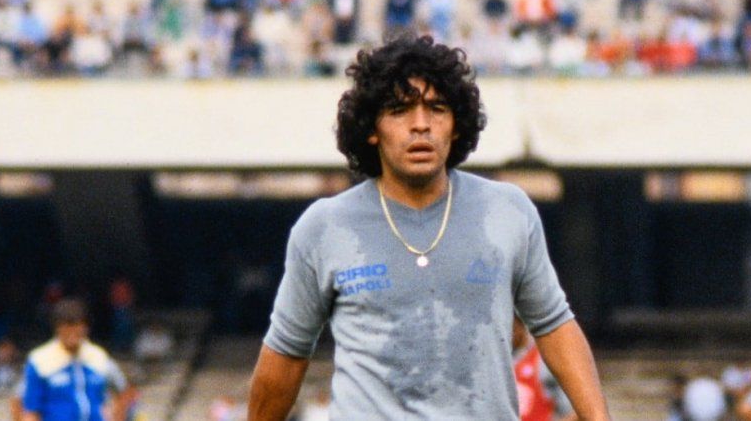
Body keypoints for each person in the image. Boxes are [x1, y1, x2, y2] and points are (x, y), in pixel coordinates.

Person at [247, 36, 608, 420]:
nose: (420, 125)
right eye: (399, 110)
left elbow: (554, 326)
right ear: (372, 128)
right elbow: (286, 355)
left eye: (437, 108)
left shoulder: (508, 211)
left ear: (456, 126)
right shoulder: (324, 227)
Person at [22, 299, 127, 421]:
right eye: (67, 328)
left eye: (76, 327)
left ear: (85, 328)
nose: (72, 334)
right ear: (57, 328)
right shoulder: (40, 360)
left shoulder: (98, 356)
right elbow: (30, 410)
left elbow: (123, 391)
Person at [512, 317, 574, 421]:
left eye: (511, 327)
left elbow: (575, 412)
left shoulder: (544, 358)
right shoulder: (500, 359)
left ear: (521, 324)